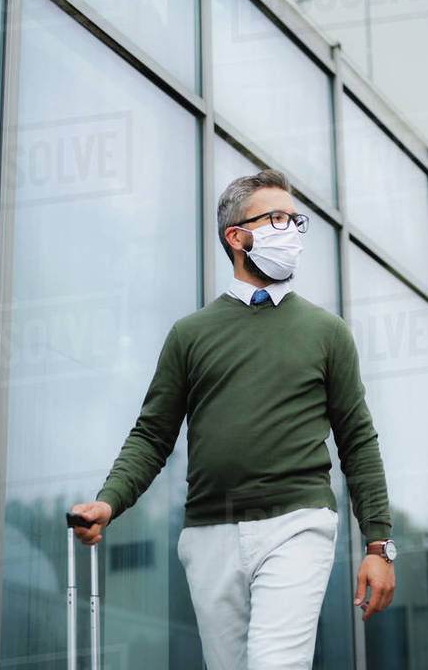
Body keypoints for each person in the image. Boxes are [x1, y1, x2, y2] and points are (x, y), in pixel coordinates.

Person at [70, 169, 396, 669]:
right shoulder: (190, 334)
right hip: (208, 534)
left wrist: (378, 544)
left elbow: (358, 442)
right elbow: (152, 436)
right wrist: (109, 502)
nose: (291, 230)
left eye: (295, 220)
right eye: (278, 218)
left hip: (297, 523)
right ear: (237, 236)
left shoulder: (328, 333)